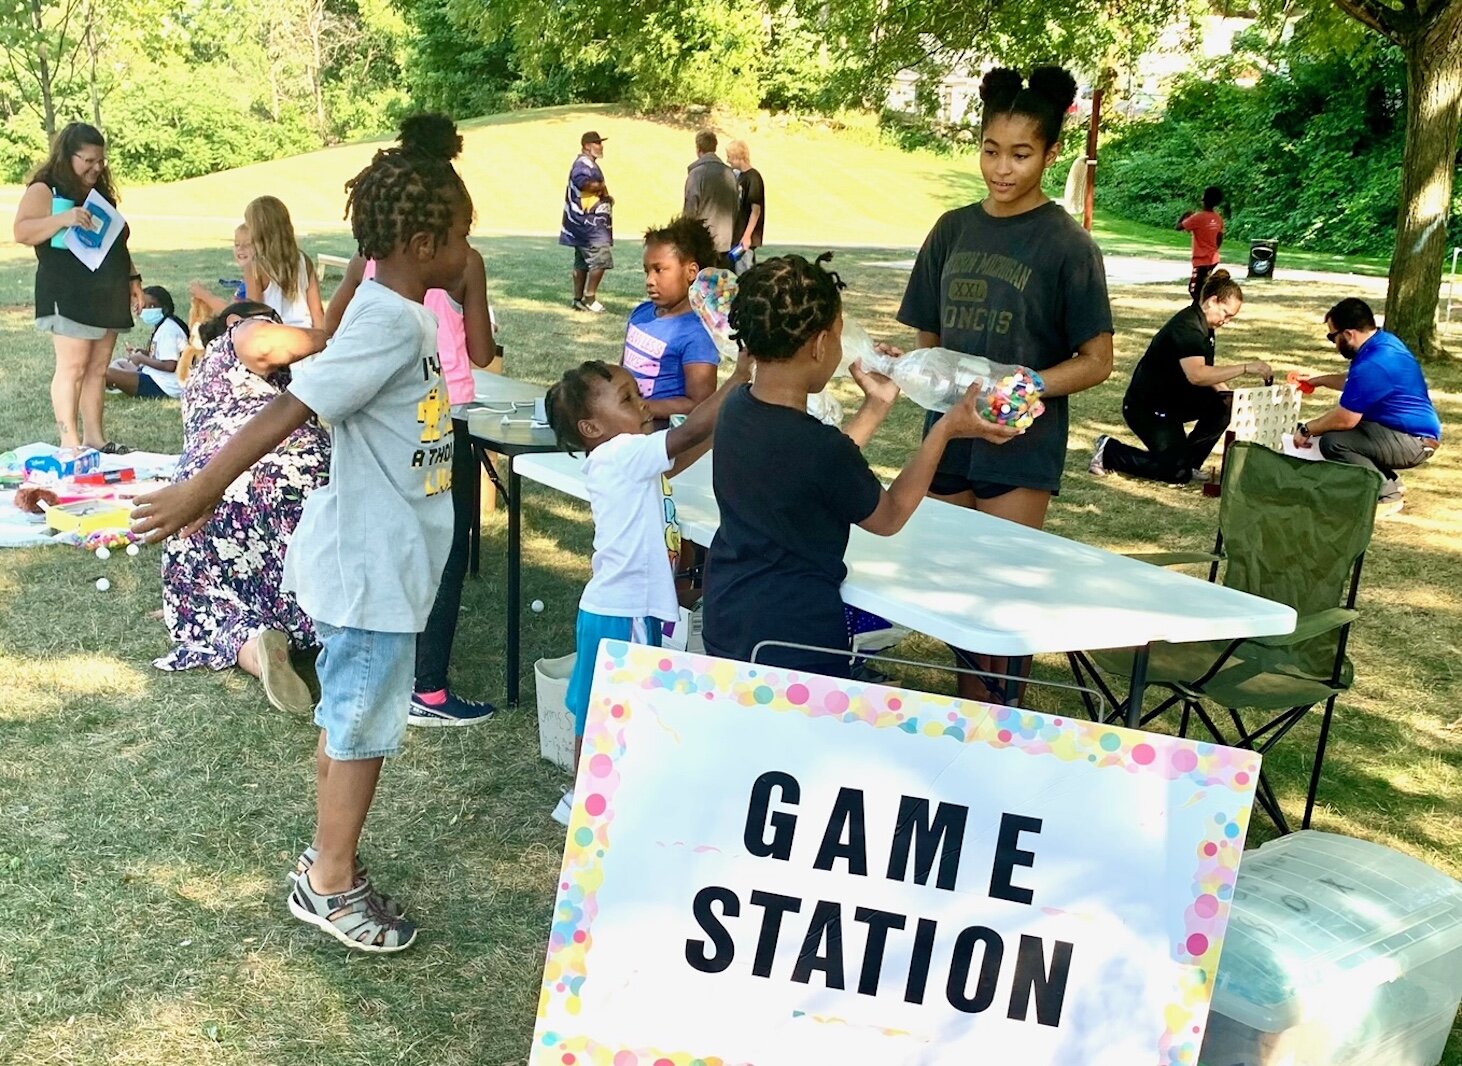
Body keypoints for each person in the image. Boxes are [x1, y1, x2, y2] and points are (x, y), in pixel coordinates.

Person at [133, 122, 475, 953]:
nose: (468, 252)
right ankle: (330, 883)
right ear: (425, 243)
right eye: (460, 238)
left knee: (349, 723)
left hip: (388, 559)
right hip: (370, 567)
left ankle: (326, 859)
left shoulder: (400, 312)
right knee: (362, 729)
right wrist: (205, 485)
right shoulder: (390, 324)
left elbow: (362, 291)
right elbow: (292, 407)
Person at [896, 66, 1113, 703]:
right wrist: (932, 385)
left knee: (998, 598)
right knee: (951, 595)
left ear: (1050, 154)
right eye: (991, 150)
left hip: (1019, 446)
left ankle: (999, 724)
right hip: (948, 435)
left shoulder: (1068, 244)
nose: (1002, 168)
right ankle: (970, 716)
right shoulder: (952, 229)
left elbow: (1096, 359)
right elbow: (928, 336)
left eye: (1021, 154)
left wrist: (1024, 388)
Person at [703, 255, 1019, 680]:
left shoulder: (739, 407)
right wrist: (942, 432)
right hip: (795, 641)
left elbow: (813, 473)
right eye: (838, 334)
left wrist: (876, 405)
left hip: (729, 615)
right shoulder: (818, 447)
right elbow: (888, 517)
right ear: (818, 345)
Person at [324, 113, 502, 727]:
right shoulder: (456, 257)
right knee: (440, 548)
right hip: (438, 413)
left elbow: (330, 330)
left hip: (405, 414)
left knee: (419, 540)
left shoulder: (372, 251)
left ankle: (408, 674)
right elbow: (481, 351)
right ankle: (428, 685)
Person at [543, 350, 751, 823]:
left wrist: (719, 425)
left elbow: (679, 455)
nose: (644, 404)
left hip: (609, 606)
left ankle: (586, 794)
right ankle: (593, 800)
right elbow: (686, 435)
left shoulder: (616, 458)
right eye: (628, 398)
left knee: (596, 703)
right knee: (617, 702)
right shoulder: (623, 453)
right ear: (591, 427)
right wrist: (738, 379)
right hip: (627, 609)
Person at [154, 301, 329, 715]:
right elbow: (262, 342)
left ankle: (256, 646)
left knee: (208, 599)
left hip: (201, 498)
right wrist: (334, 336)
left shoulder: (199, 379)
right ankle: (316, 629)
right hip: (280, 477)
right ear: (233, 322)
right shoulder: (234, 341)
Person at [11, 121, 142, 453]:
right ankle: (69, 441)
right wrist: (63, 219)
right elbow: (22, 231)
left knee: (98, 368)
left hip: (107, 289)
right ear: (67, 156)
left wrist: (132, 279)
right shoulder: (44, 188)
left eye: (101, 160)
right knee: (73, 367)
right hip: (68, 291)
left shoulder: (101, 192)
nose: (97, 167)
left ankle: (95, 438)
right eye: (88, 161)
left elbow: (115, 241)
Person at [1090, 271, 1271, 483]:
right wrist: (1246, 367)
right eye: (1226, 313)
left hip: (1173, 402)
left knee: (1225, 404)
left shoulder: (1205, 326)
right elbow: (1198, 375)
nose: (1227, 321)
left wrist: (1230, 396)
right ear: (1212, 301)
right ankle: (1110, 451)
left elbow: (1208, 372)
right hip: (1148, 409)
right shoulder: (1187, 328)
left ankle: (1191, 462)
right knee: (1175, 473)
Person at [1292, 297, 1442, 516]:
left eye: (1332, 336)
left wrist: (1308, 429)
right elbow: (1357, 383)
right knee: (1345, 433)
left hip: (1415, 442)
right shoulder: (1383, 344)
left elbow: (1345, 419)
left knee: (1333, 442)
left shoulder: (1374, 363)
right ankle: (1392, 481)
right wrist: (1319, 380)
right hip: (1410, 435)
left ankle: (1386, 494)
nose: (1334, 344)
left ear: (1349, 334)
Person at [621, 216, 721, 423]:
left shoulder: (697, 334)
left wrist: (639, 407)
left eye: (659, 270)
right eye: (646, 271)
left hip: (662, 437)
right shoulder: (640, 314)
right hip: (628, 426)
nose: (650, 280)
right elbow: (622, 372)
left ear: (691, 272)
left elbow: (700, 403)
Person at [105, 285, 190, 399]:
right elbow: (162, 356)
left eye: (150, 306)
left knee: (105, 373)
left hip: (164, 385)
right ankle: (120, 383)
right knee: (120, 363)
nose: (144, 309)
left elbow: (170, 365)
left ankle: (117, 383)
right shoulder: (164, 325)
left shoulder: (168, 330)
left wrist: (141, 358)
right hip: (154, 375)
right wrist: (143, 353)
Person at [560, 131, 612, 313]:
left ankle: (578, 299)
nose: (600, 146)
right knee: (601, 259)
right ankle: (590, 298)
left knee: (581, 263)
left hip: (582, 224)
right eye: (597, 143)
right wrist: (602, 188)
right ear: (587, 146)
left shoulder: (587, 163)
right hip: (588, 225)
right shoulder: (583, 164)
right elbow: (583, 183)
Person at [682, 130, 740, 267]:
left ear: (698, 149)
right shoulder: (729, 174)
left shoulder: (696, 174)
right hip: (725, 241)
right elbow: (736, 207)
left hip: (702, 242)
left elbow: (690, 209)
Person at [1179, 186, 1225, 304]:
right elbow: (1220, 237)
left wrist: (1185, 216)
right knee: (1202, 285)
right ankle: (1200, 306)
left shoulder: (1197, 217)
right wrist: (1214, 249)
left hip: (1201, 260)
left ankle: (1201, 308)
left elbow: (1179, 227)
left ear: (1203, 199)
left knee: (1194, 289)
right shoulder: (1218, 218)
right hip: (1213, 258)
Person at [726, 139, 765, 275]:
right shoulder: (740, 177)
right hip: (736, 237)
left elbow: (756, 210)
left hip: (745, 239)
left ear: (738, 157)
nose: (728, 161)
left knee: (744, 276)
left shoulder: (753, 178)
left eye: (729, 157)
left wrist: (747, 236)